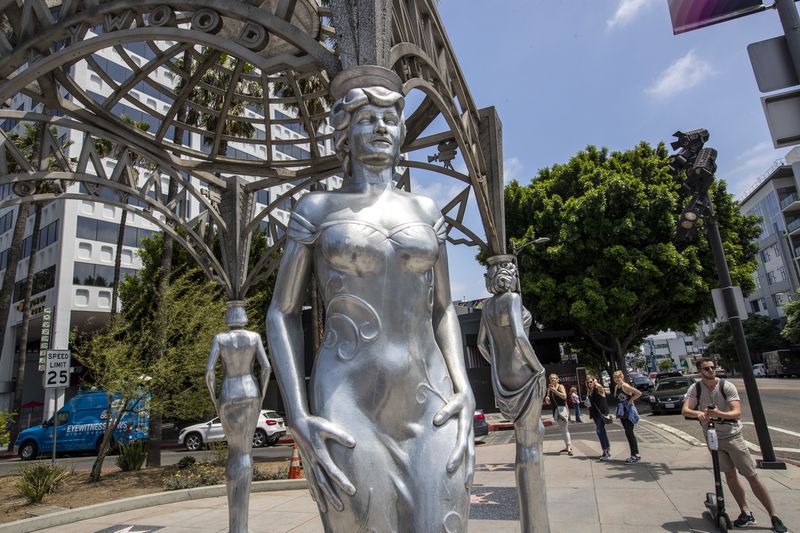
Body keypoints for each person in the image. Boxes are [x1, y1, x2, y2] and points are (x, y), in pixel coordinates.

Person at [266, 66, 474, 532]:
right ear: (345, 131)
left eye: (389, 117)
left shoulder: (425, 211)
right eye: (366, 117)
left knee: (445, 523)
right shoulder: (317, 210)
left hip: (431, 395)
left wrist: (463, 386)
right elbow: (281, 313)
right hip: (347, 399)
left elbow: (443, 309)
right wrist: (297, 413)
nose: (381, 126)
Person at [477, 255, 549, 533]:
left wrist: (498, 363)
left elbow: (483, 344)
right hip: (523, 372)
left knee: (525, 441)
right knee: (531, 442)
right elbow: (520, 337)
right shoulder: (513, 299)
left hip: (503, 375)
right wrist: (538, 368)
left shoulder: (487, 306)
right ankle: (535, 523)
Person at [682, 358, 787, 533]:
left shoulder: (726, 386)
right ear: (700, 371)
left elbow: (736, 412)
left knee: (751, 475)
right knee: (730, 476)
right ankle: (745, 512)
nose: (711, 371)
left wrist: (718, 413)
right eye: (706, 368)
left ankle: (774, 516)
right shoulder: (696, 388)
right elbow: (686, 410)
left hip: (732, 436)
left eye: (712, 367)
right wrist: (698, 412)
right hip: (713, 437)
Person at [206, 302, 271, 533]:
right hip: (250, 391)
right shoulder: (253, 338)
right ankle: (240, 527)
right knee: (245, 453)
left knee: (235, 453)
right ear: (244, 315)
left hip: (229, 392)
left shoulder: (220, 339)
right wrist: (261, 394)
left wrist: (215, 399)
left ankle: (237, 526)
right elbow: (266, 368)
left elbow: (209, 372)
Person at [612, 370, 641, 463]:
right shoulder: (617, 387)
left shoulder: (625, 386)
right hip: (622, 412)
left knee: (629, 433)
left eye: (618, 377)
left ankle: (634, 455)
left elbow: (638, 393)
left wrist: (631, 399)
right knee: (628, 433)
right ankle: (636, 454)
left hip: (629, 411)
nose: (616, 379)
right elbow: (616, 397)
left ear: (622, 377)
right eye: (615, 377)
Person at [544, 373, 572, 455]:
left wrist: (555, 391)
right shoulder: (549, 388)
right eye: (551, 378)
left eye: (554, 378)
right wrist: (547, 399)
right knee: (562, 429)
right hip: (556, 410)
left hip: (562, 410)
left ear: (557, 379)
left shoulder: (560, 386)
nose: (552, 380)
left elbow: (564, 397)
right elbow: (549, 402)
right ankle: (567, 446)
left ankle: (569, 447)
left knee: (565, 428)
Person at [585, 375, 611, 461]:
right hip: (595, 414)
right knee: (602, 431)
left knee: (599, 431)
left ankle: (605, 452)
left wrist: (596, 383)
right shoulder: (589, 392)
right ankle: (607, 449)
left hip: (602, 413)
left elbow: (601, 387)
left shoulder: (599, 390)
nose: (589, 384)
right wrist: (587, 403)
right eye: (588, 382)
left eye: (591, 382)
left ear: (594, 382)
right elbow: (590, 403)